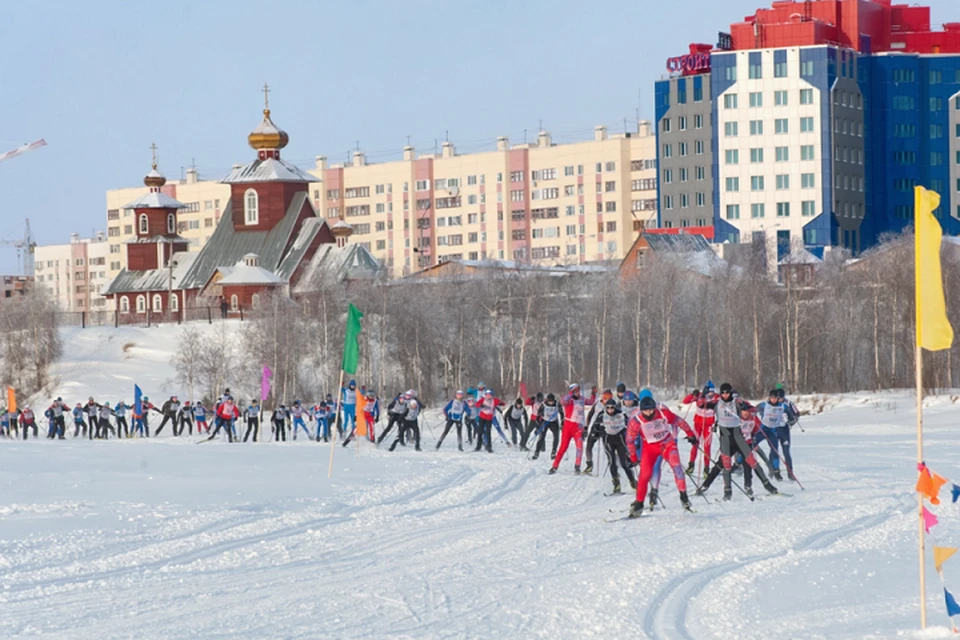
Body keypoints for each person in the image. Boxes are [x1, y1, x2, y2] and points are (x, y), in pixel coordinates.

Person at [626, 395, 698, 517]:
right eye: (645, 410)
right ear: (641, 410)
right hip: (650, 448)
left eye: (651, 410)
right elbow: (629, 441)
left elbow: (679, 421)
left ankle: (684, 497)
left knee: (677, 467)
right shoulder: (636, 421)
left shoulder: (664, 414)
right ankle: (639, 503)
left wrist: (691, 434)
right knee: (645, 474)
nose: (648, 413)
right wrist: (633, 457)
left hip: (667, 444)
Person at [709, 384, 779, 500]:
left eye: (727, 392)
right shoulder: (717, 402)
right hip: (726, 438)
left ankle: (768, 485)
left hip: (739, 437)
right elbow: (703, 404)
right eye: (723, 393)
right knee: (726, 464)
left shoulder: (737, 402)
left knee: (752, 461)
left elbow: (753, 409)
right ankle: (727, 492)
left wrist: (746, 409)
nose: (725, 395)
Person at [594, 398, 637, 494]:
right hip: (609, 440)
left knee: (623, 463)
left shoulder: (621, 415)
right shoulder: (602, 415)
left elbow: (630, 425)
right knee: (611, 461)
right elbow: (595, 427)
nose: (610, 410)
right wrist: (597, 432)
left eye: (612, 408)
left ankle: (633, 481)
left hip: (620, 440)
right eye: (608, 408)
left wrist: (631, 433)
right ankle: (616, 483)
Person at [756, 389, 795, 481]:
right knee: (774, 450)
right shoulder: (766, 405)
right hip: (773, 429)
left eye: (781, 398)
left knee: (786, 451)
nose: (779, 399)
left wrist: (790, 422)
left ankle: (790, 472)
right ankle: (774, 470)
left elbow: (794, 416)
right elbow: (754, 410)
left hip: (784, 431)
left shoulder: (786, 405)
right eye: (777, 397)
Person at [549, 384, 587, 474]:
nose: (577, 392)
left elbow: (591, 401)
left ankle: (577, 466)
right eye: (575, 391)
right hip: (568, 426)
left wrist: (594, 394)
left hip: (578, 427)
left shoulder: (582, 399)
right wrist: (571, 393)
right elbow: (562, 401)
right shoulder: (569, 400)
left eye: (578, 390)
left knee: (580, 447)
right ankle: (555, 466)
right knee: (563, 447)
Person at [683, 381, 718, 476]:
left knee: (707, 446)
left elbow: (726, 402)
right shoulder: (699, 395)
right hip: (698, 424)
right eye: (709, 392)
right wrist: (692, 395)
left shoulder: (716, 397)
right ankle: (691, 465)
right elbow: (685, 401)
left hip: (709, 425)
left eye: (712, 391)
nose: (711, 394)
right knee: (695, 444)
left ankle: (706, 468)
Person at [583, 388, 614, 475]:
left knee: (607, 448)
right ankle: (589, 464)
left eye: (609, 397)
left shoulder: (612, 405)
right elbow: (590, 414)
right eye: (605, 396)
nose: (607, 399)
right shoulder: (597, 404)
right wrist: (586, 427)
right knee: (589, 445)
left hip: (606, 428)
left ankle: (612, 466)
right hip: (595, 427)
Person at [532, 393, 561, 460]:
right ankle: (536, 452)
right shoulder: (543, 405)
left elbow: (562, 413)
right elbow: (538, 417)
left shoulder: (557, 404)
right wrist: (539, 425)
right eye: (549, 401)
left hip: (554, 422)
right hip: (545, 422)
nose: (551, 403)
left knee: (556, 437)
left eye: (552, 401)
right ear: (547, 400)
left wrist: (562, 422)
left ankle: (553, 452)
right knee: (541, 437)